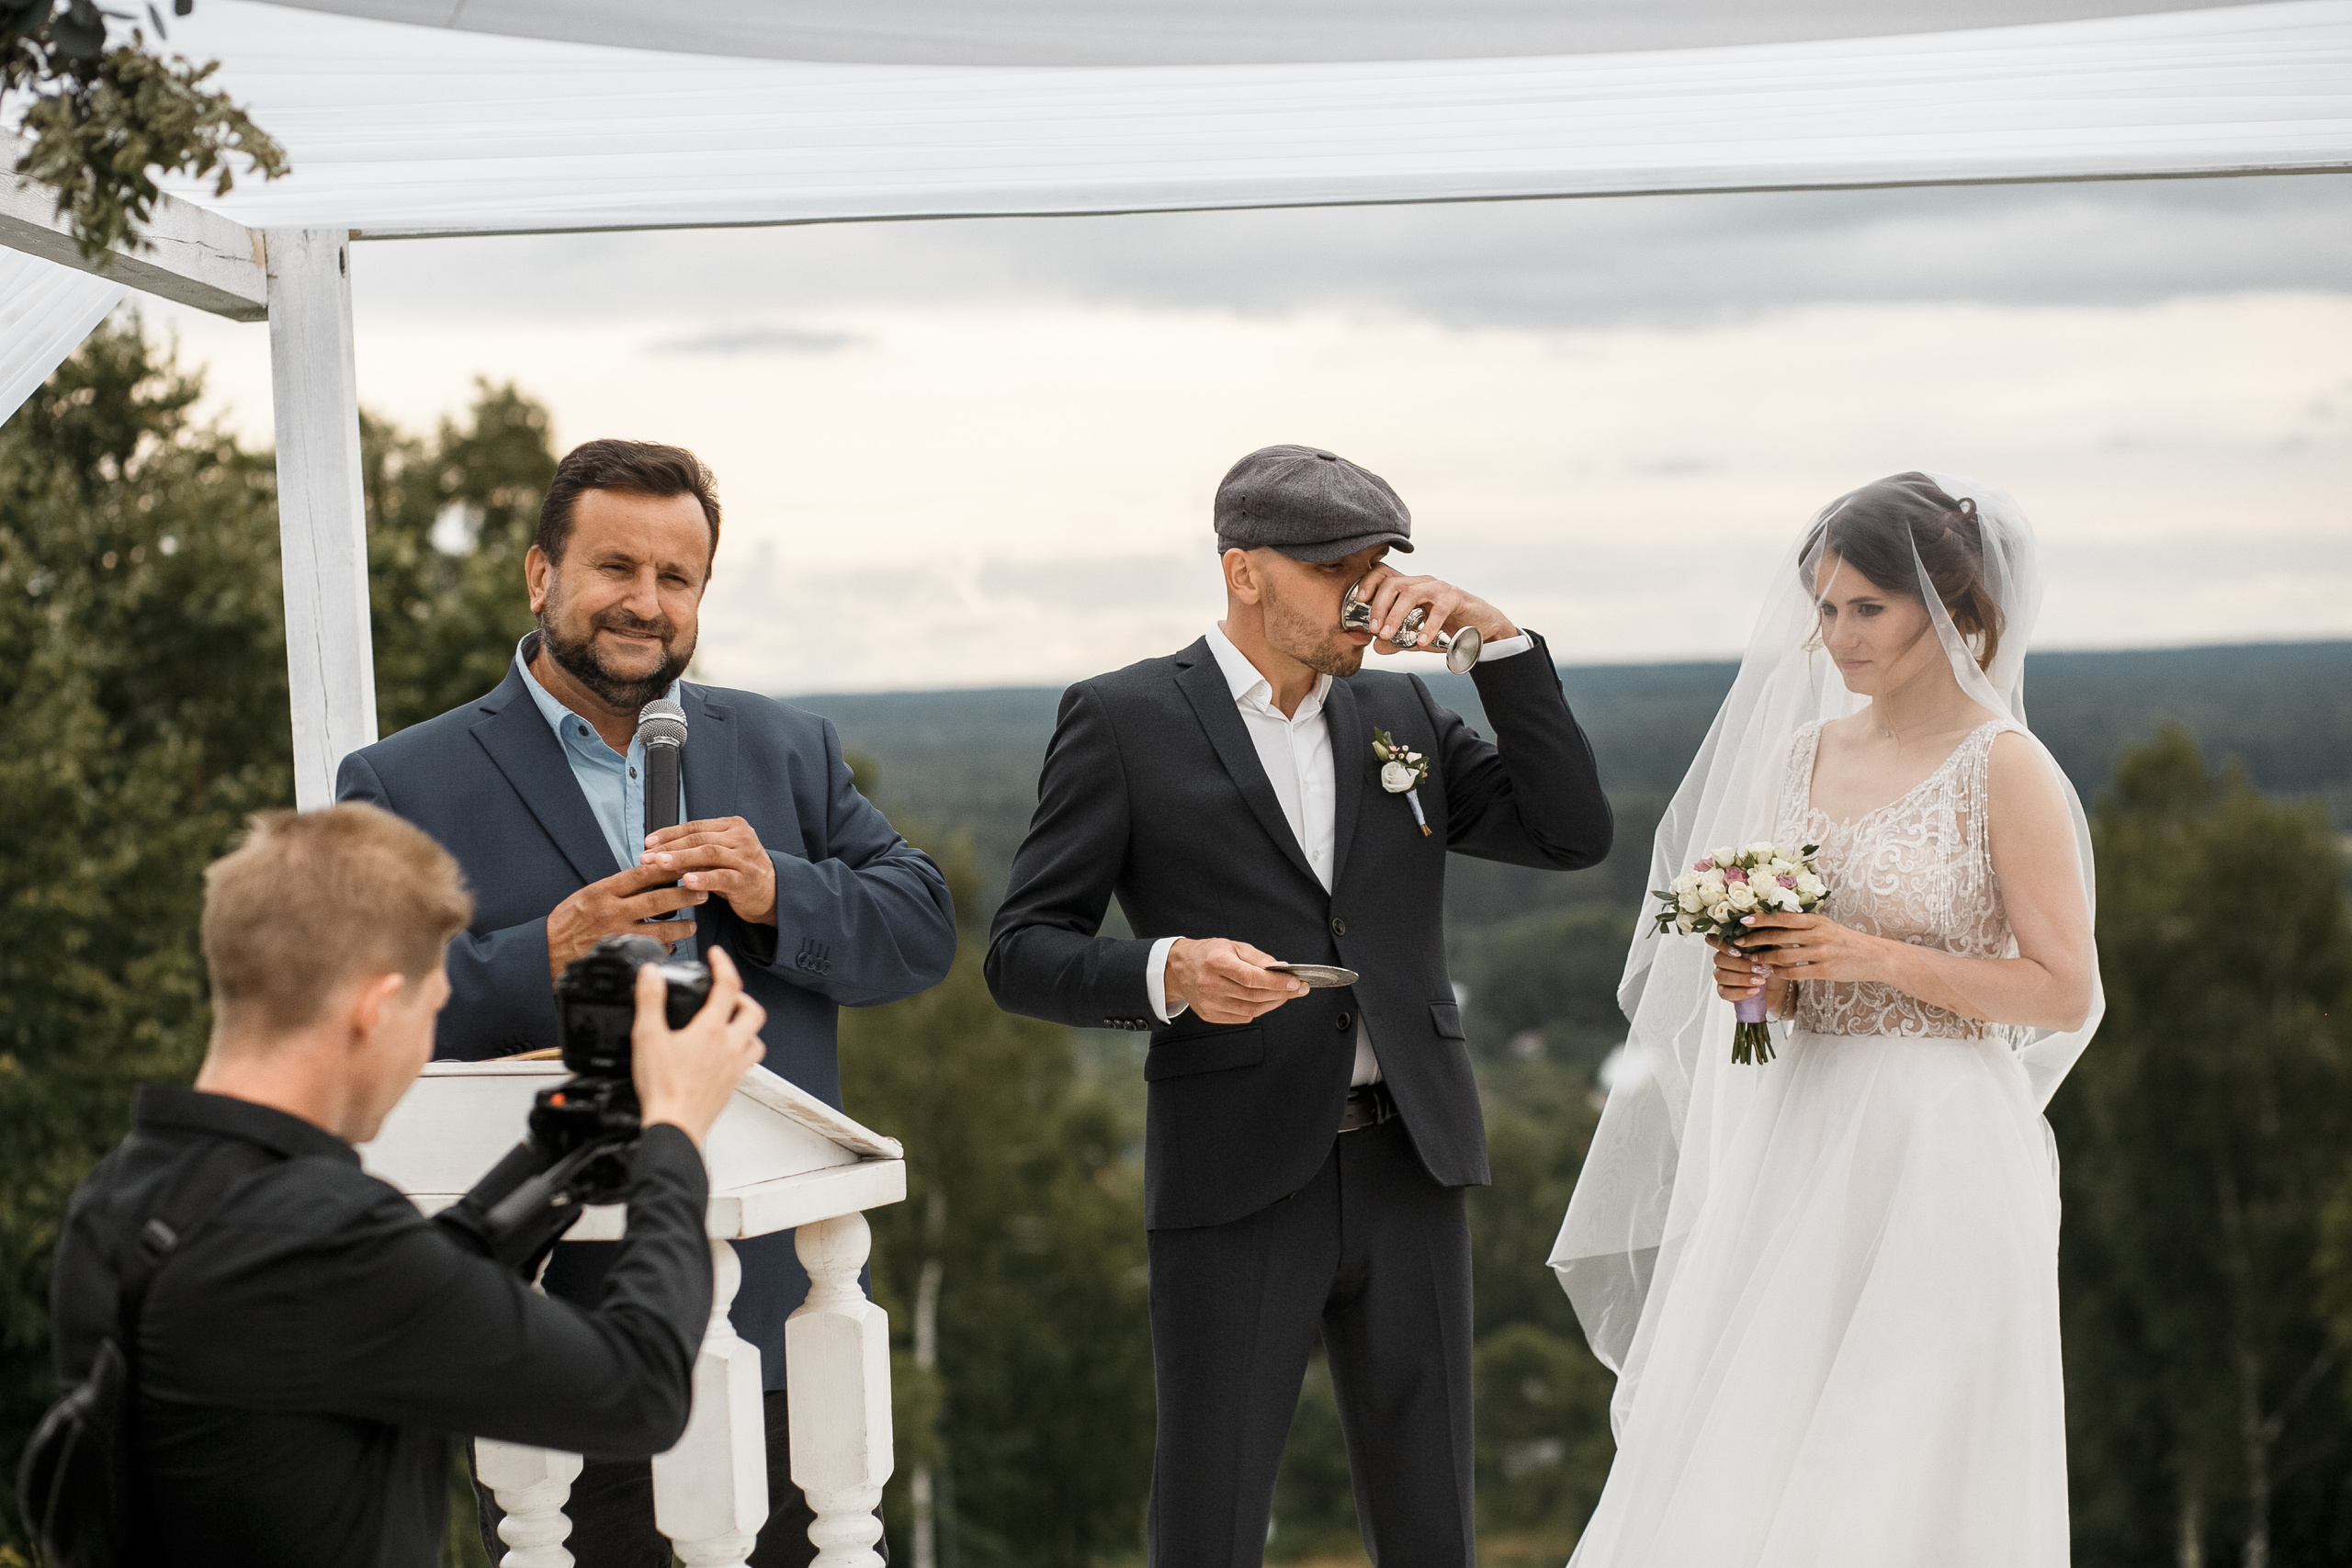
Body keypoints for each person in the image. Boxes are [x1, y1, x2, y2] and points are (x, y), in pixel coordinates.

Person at [987, 444, 1613, 1565]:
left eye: (1377, 568)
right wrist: (1166, 971)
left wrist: (1501, 647)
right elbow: (1022, 953)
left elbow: (1571, 834)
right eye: (1338, 570)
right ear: (1245, 572)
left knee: (1431, 1521)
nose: (1366, 596)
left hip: (1409, 1161)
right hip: (1235, 1171)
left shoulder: (1400, 710)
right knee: (1211, 1515)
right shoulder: (1124, 718)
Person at [336, 437, 956, 1564]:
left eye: (677, 579)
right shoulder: (402, 781)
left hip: (777, 1318)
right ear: (541, 576)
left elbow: (921, 928)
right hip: (554, 1328)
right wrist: (550, 950)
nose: (646, 603)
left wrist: (778, 891)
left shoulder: (787, 748)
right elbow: (365, 1017)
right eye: (615, 568)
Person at [1550, 473, 2102, 1565]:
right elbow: (1783, 985)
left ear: (1961, 614)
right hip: (1802, 1123)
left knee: (1901, 1435)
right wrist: (1757, 976)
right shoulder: (1797, 756)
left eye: (1865, 609)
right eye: (1823, 607)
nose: (1833, 637)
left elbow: (2062, 991)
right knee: (1760, 1418)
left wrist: (1874, 957)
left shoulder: (2006, 766)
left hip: (1940, 1134)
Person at [46, 804, 768, 1567]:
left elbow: (407, 1294)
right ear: (377, 1008)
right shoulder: (319, 1234)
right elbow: (641, 1390)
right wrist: (676, 1131)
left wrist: (560, 1147)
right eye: (432, 1010)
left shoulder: (123, 1197)